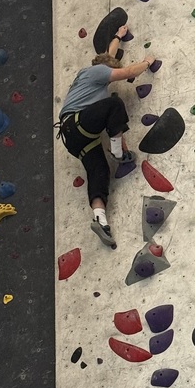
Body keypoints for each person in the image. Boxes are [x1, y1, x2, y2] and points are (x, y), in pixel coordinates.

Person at [56, 25, 156, 248]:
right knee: (114, 104)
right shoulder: (98, 71)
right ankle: (118, 152)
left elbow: (109, 54)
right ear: (105, 69)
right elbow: (128, 72)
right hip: (78, 122)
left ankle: (100, 220)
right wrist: (147, 61)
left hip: (75, 138)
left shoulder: (92, 74)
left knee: (99, 172)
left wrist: (118, 36)